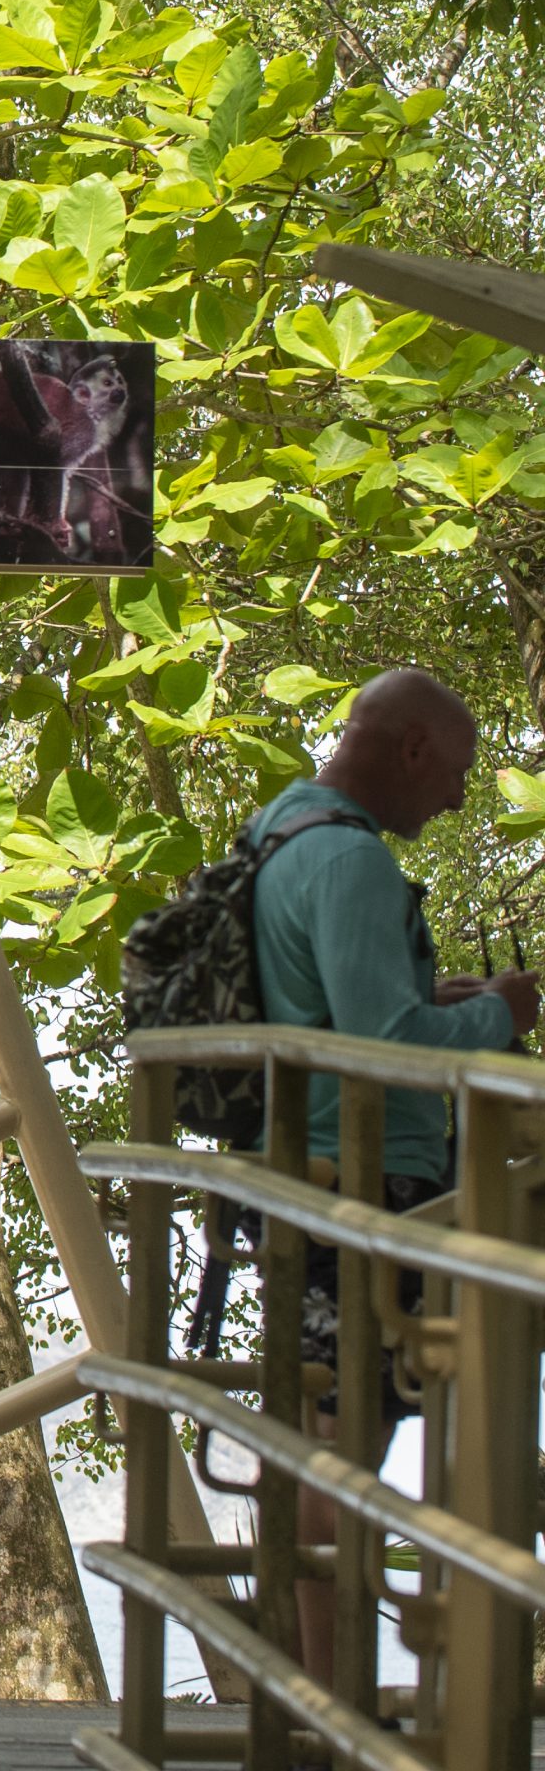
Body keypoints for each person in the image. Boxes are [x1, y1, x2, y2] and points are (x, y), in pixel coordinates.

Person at [248, 667, 539, 1680]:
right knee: (343, 1442)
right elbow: (386, 1041)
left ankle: (298, 1692)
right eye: (455, 772)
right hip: (371, 1181)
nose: (457, 796)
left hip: (304, 1170)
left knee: (306, 1435)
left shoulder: (281, 830)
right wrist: (498, 1011)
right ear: (410, 747)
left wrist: (424, 986)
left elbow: (336, 1001)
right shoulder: (353, 862)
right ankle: (333, 1699)